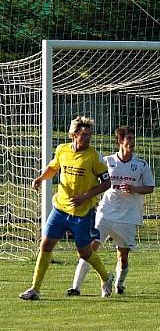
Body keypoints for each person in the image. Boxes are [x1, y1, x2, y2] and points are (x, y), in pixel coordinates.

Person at [19, 116, 113, 300]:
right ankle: (35, 289)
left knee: (84, 252)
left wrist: (86, 196)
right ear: (74, 134)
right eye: (84, 134)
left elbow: (107, 182)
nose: (87, 138)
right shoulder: (62, 150)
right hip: (60, 208)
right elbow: (53, 168)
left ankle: (105, 277)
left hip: (82, 212)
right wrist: (40, 178)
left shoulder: (94, 157)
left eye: (89, 135)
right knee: (45, 244)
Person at [70, 126, 156, 296]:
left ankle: (119, 283)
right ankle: (75, 288)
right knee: (90, 249)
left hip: (127, 217)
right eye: (128, 138)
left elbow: (150, 187)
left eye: (133, 138)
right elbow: (95, 181)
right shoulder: (107, 161)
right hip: (105, 213)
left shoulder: (140, 165)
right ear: (120, 141)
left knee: (122, 256)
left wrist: (135, 189)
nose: (131, 142)